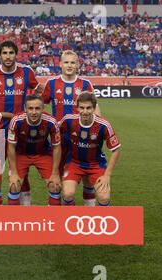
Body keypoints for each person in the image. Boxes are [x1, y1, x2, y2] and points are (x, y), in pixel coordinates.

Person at [0, 40, 42, 206]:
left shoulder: (27, 72)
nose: (8, 56)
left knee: (22, 172)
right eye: (4, 53)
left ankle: (25, 208)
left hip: (21, 131)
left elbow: (40, 91)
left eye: (11, 53)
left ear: (16, 54)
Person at [42, 49, 100, 206]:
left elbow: (96, 111)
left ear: (78, 65)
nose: (69, 65)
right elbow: (39, 107)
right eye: (66, 62)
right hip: (59, 140)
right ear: (60, 64)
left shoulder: (86, 84)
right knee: (56, 179)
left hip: (82, 139)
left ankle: (89, 217)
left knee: (88, 179)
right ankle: (56, 216)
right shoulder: (51, 83)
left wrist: (97, 134)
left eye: (72, 62)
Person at [59, 92, 121, 207]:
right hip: (74, 163)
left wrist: (107, 175)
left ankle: (96, 222)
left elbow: (116, 150)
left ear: (94, 108)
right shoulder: (68, 120)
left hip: (96, 165)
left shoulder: (103, 125)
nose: (85, 111)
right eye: (82, 108)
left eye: (88, 108)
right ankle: (68, 221)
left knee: (104, 198)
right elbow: (54, 129)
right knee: (68, 194)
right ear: (77, 108)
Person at [7, 94, 62, 206]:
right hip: (21, 154)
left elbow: (56, 148)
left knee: (55, 185)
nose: (34, 112)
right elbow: (11, 147)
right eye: (30, 108)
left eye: (37, 108)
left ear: (43, 108)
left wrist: (55, 173)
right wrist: (13, 172)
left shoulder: (51, 122)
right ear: (25, 108)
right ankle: (13, 220)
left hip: (42, 154)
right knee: (14, 185)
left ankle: (53, 220)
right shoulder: (16, 120)